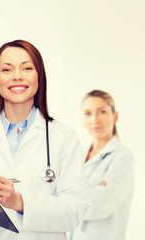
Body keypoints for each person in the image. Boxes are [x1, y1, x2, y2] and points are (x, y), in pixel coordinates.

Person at [0, 40, 89, 240]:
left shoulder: (64, 137)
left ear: (39, 77)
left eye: (27, 68)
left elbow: (74, 211)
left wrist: (18, 202)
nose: (17, 76)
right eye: (7, 69)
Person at [70, 90, 134, 240]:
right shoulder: (77, 156)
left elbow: (100, 204)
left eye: (102, 112)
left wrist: (66, 199)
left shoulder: (123, 156)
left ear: (115, 116)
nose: (94, 120)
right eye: (87, 113)